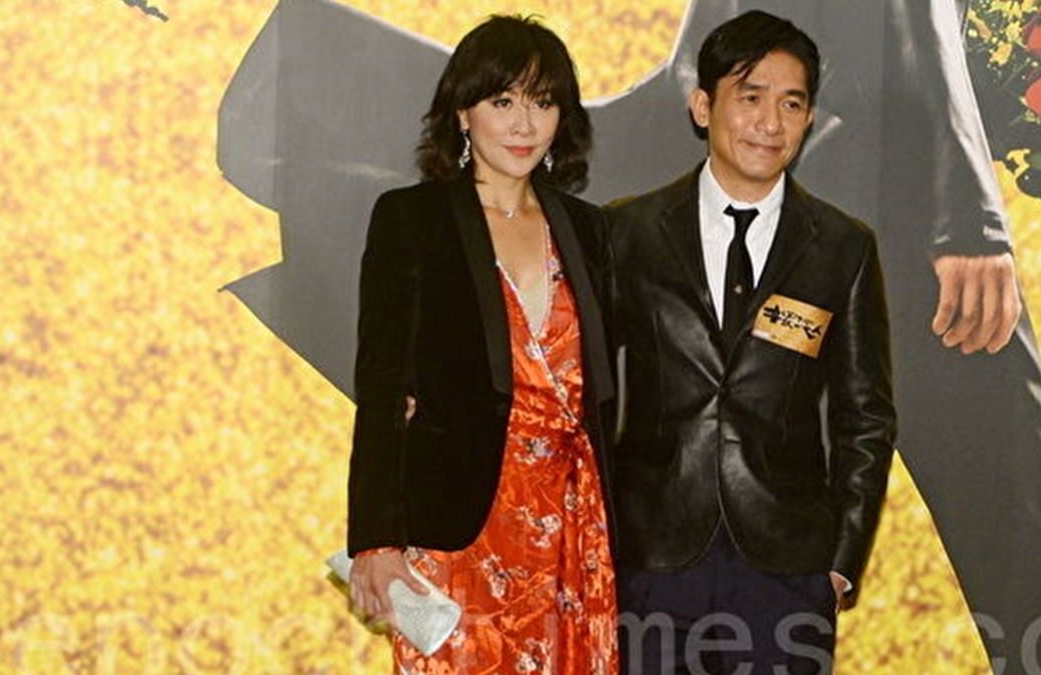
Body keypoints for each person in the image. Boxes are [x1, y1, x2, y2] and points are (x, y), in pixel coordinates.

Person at [607, 11, 896, 674]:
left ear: (810, 118)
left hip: (787, 572)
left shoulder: (842, 248)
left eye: (791, 103)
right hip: (652, 562)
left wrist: (840, 562)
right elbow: (590, 391)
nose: (770, 122)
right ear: (702, 106)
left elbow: (866, 417)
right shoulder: (627, 233)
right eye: (751, 97)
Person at [344, 16, 618, 674]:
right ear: (463, 112)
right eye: (503, 101)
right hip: (461, 526)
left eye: (543, 103)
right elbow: (381, 387)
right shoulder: (412, 220)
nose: (524, 125)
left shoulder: (589, 230)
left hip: (575, 527)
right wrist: (376, 538)